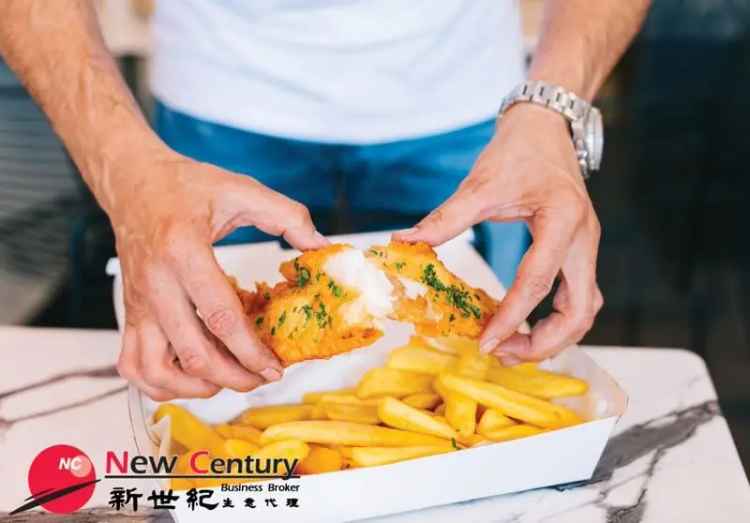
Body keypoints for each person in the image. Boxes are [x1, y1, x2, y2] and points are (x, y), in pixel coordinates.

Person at [0, 1, 650, 400]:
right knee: (207, 373)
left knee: (480, 371)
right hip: (215, 101)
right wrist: (124, 172)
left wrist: (553, 107)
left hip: (478, 108)